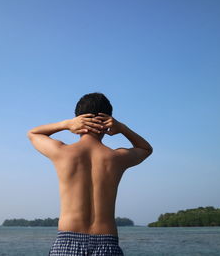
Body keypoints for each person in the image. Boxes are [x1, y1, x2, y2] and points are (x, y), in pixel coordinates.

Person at [27, 92, 153, 256]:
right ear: (108, 121)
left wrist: (66, 124)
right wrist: (122, 128)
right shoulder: (116, 158)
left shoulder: (63, 153)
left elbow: (33, 133)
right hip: (107, 244)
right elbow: (145, 149)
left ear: (78, 121)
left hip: (67, 243)